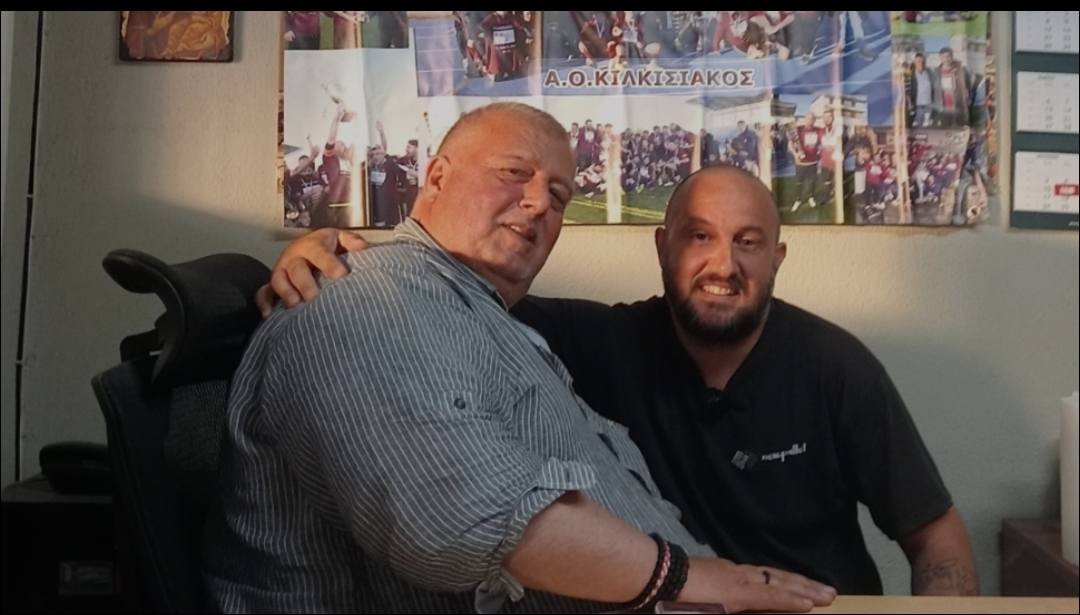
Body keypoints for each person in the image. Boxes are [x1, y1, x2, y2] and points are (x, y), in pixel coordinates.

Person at [205, 103, 836, 613]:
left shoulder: (491, 316)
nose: (539, 203)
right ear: (436, 178)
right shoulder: (364, 298)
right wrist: (692, 578)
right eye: (514, 173)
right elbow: (463, 515)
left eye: (559, 196)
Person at [265, 163, 979, 598]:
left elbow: (936, 536)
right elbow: (450, 293)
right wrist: (336, 255)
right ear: (663, 246)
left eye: (748, 242)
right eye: (699, 236)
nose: (723, 264)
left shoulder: (837, 367)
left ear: (778, 258)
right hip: (683, 601)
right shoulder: (598, 340)